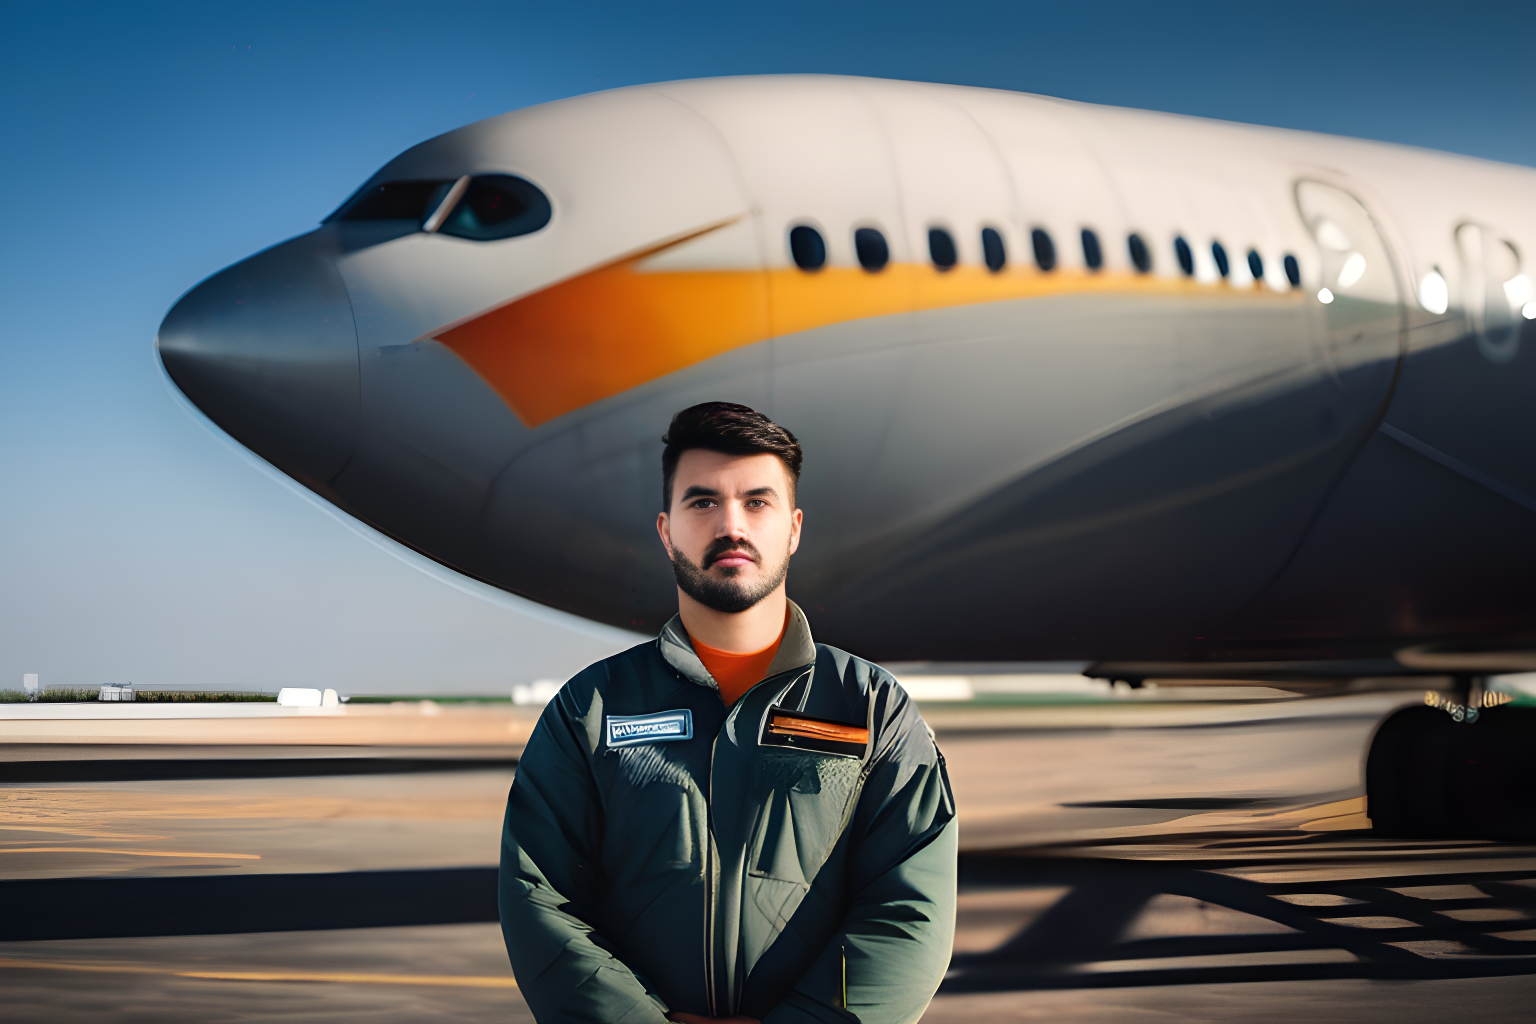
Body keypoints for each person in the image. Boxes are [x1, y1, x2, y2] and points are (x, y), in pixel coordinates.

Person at [500, 402, 957, 1024]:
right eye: (703, 502)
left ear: (793, 528)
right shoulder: (589, 710)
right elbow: (541, 897)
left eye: (757, 502)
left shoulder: (872, 707)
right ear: (666, 530)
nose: (731, 525)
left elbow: (909, 909)